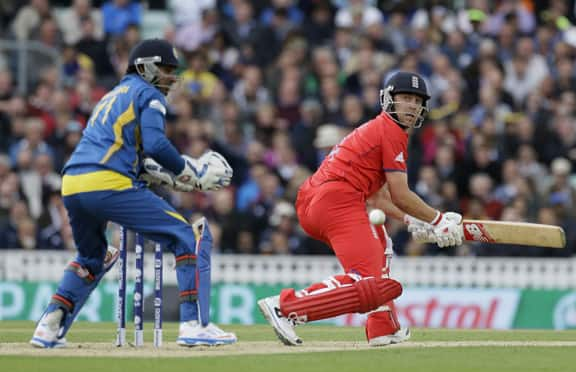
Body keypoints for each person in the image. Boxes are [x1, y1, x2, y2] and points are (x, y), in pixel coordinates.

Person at [30, 39, 236, 348]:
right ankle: (195, 324)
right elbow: (155, 144)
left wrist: (163, 173)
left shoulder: (112, 95)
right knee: (187, 236)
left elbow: (131, 154)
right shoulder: (148, 94)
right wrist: (188, 171)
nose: (171, 77)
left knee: (91, 257)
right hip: (107, 183)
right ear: (145, 67)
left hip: (72, 182)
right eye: (166, 69)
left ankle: (49, 323)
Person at [258, 71, 464, 346]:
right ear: (388, 100)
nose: (412, 105)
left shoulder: (377, 129)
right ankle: (286, 307)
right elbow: (401, 194)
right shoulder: (391, 131)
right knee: (368, 279)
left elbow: (379, 198)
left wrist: (410, 219)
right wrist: (437, 219)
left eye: (417, 100)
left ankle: (382, 326)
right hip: (337, 200)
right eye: (405, 98)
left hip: (317, 201)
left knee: (381, 247)